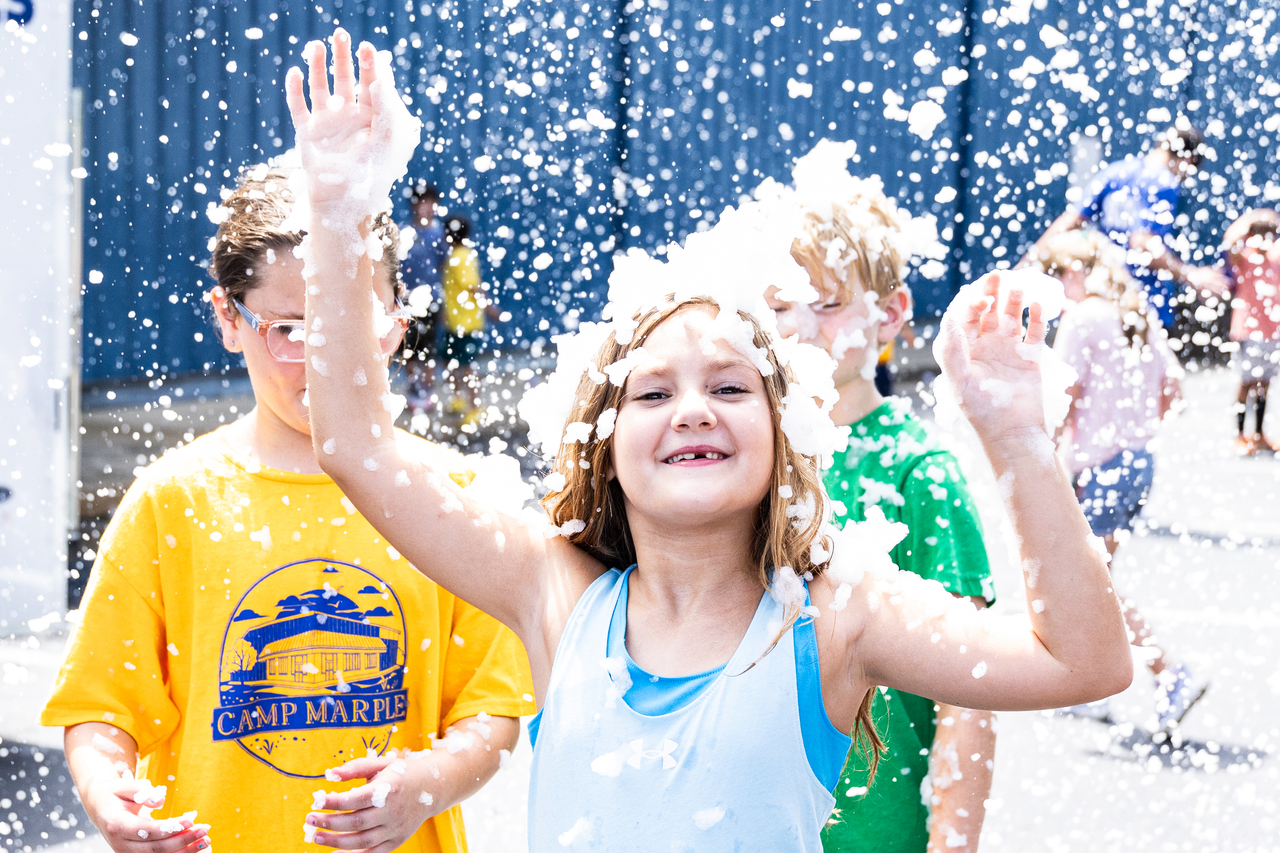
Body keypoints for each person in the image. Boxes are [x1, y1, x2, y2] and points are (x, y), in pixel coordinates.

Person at [284, 32, 1132, 851]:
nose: (692, 408)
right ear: (603, 445)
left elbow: (1082, 664)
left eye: (730, 387)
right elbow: (357, 446)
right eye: (653, 392)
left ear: (784, 434)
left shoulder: (835, 616)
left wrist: (1016, 434)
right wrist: (338, 207)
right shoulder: (554, 594)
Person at [41, 164, 534, 853]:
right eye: (292, 330)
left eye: (351, 323)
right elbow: (101, 707)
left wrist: (432, 780)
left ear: (395, 320)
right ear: (228, 319)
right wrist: (107, 789)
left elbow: (493, 710)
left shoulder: (449, 496)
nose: (327, 356)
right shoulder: (171, 501)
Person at [764, 156, 995, 853]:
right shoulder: (741, 462)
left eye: (830, 303)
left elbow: (969, 692)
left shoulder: (918, 472)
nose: (801, 327)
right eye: (781, 304)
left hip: (874, 833)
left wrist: (951, 840)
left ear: (889, 313)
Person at [1036, 231, 1208, 731]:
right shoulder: (1136, 314)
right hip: (1137, 463)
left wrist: (1043, 460)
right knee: (1095, 579)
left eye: (1054, 279)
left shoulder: (1082, 318)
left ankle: (1167, 669)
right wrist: (1131, 424)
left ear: (1073, 272)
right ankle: (1097, 688)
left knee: (1093, 582)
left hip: (1101, 467)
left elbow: (1062, 398)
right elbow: (1174, 392)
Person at [1023, 124, 1228, 330]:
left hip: (1104, 296)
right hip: (1143, 304)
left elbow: (1070, 221)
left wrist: (1028, 262)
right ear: (1188, 160)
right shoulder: (1164, 182)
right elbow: (1143, 243)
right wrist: (1189, 274)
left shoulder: (1115, 171)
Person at [1221, 209, 1280, 455]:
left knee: (1263, 385)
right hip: (1248, 332)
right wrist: (1248, 221)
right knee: (1246, 384)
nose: (1265, 239)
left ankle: (1258, 435)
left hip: (1273, 333)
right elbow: (1229, 241)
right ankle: (1240, 436)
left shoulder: (1277, 256)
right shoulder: (1243, 257)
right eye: (1259, 233)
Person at [439, 214, 499, 422]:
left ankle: (474, 408)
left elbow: (472, 287)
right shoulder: (459, 254)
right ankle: (459, 400)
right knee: (452, 362)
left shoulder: (460, 257)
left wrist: (490, 308)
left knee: (465, 366)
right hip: (457, 322)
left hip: (464, 323)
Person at [400, 180, 449, 414]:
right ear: (413, 205)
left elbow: (444, 267)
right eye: (421, 202)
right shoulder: (403, 232)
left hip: (431, 300)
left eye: (430, 202)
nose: (425, 207)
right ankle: (413, 389)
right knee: (409, 346)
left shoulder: (439, 234)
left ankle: (427, 390)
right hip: (407, 301)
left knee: (428, 346)